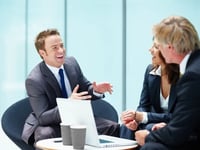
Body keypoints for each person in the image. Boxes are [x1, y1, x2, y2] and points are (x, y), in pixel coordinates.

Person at [21, 29, 120, 147]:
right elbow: (43, 117)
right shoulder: (34, 80)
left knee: (112, 127)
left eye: (61, 46)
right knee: (45, 134)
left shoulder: (71, 63)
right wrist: (68, 104)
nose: (61, 50)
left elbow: (85, 88)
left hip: (76, 118)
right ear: (43, 53)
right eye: (54, 48)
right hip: (52, 123)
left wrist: (96, 90)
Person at [135, 15, 200, 150]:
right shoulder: (195, 66)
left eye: (158, 46)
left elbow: (177, 134)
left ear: (170, 47)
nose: (153, 50)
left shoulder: (192, 76)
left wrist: (147, 137)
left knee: (151, 147)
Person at [120, 43, 179, 140]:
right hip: (154, 121)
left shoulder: (184, 77)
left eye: (156, 47)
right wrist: (135, 119)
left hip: (174, 124)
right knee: (126, 127)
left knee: (151, 128)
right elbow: (143, 105)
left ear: (169, 49)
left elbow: (179, 116)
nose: (150, 50)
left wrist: (142, 116)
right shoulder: (150, 70)